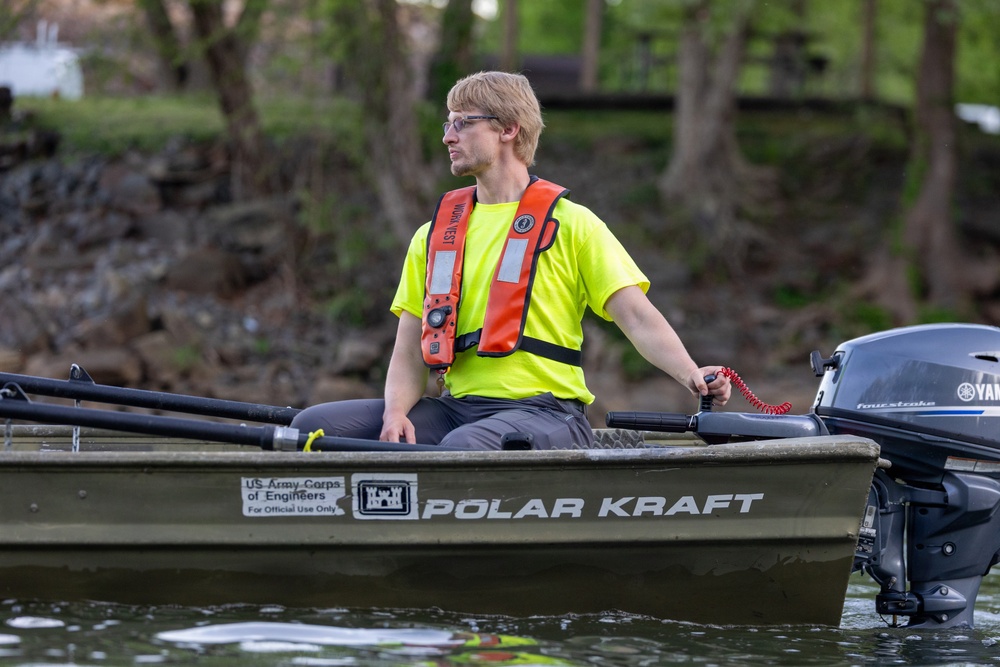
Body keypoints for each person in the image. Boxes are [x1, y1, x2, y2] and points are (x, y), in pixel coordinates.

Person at [292, 71, 731, 450]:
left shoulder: (573, 224)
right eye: (448, 123)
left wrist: (692, 374)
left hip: (547, 413)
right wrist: (394, 414)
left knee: (462, 447)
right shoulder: (432, 236)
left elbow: (637, 317)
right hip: (456, 410)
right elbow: (409, 348)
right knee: (313, 427)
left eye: (463, 123)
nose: (448, 135)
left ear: (508, 129)